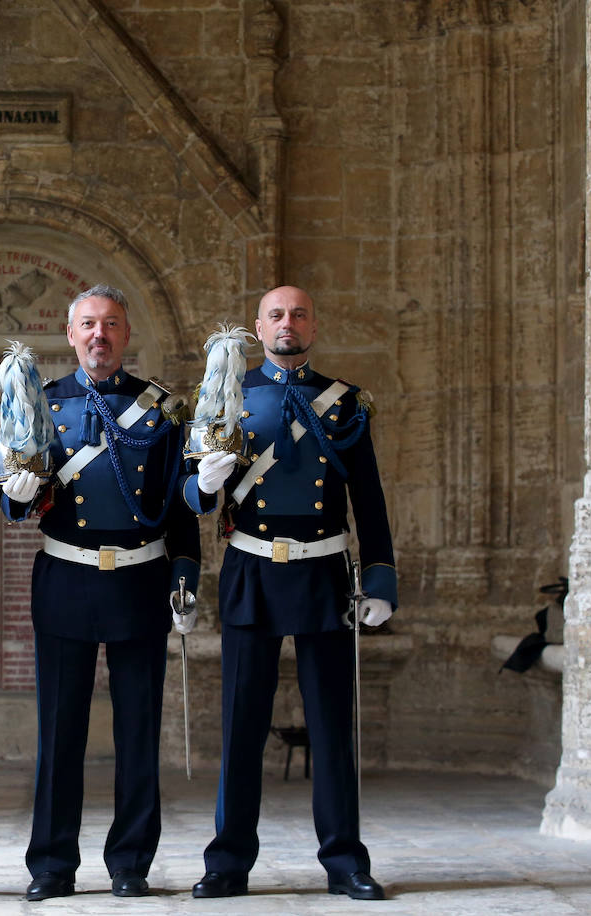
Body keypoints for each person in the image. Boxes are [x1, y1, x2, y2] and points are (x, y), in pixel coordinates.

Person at [183, 285, 396, 901]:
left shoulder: (345, 404)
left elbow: (371, 500)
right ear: (258, 326)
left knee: (332, 727)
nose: (287, 323)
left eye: (299, 313)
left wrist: (379, 577)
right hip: (252, 569)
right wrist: (203, 481)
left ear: (313, 325)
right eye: (276, 314)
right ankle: (227, 862)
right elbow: (192, 500)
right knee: (241, 725)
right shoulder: (227, 395)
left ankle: (345, 860)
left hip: (325, 572)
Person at [0, 284, 199, 901]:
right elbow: (11, 506)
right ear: (70, 335)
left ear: (126, 335)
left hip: (140, 579)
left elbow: (182, 511)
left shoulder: (161, 409)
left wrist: (185, 573)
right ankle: (53, 865)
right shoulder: (41, 403)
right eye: (87, 324)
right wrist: (19, 490)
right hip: (67, 580)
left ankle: (131, 861)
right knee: (60, 734)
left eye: (110, 324)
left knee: (139, 731)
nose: (99, 335)